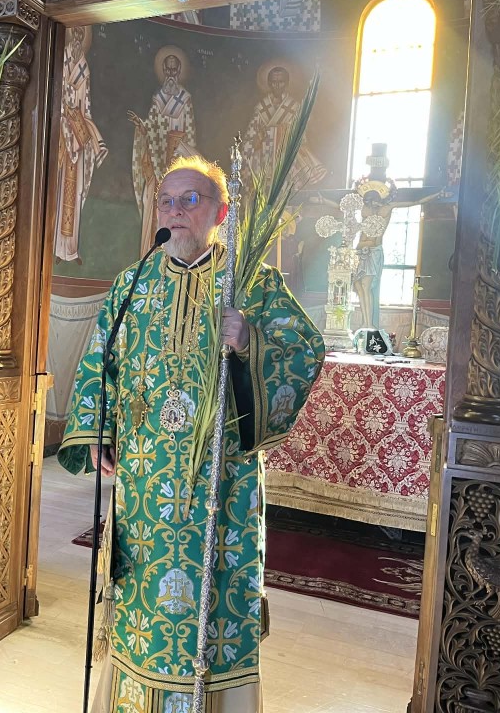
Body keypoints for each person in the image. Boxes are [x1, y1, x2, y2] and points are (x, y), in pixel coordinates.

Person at [58, 155, 324, 712]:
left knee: (215, 600)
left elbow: (304, 352)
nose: (175, 211)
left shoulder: (251, 282)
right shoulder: (133, 283)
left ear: (220, 213)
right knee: (142, 601)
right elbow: (99, 360)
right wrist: (98, 430)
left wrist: (250, 342)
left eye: (190, 200)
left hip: (221, 485)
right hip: (145, 483)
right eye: (166, 201)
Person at [130, 49, 197, 258]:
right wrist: (143, 128)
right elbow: (152, 126)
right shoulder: (157, 99)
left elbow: (190, 132)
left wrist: (184, 156)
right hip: (158, 157)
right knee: (153, 201)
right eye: (167, 69)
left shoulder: (185, 99)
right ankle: (151, 256)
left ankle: (177, 257)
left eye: (174, 70)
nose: (170, 74)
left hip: (177, 158)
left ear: (179, 71)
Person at [55, 25, 107, 264]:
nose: (77, 39)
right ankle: (55, 247)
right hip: (61, 132)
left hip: (76, 133)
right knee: (57, 190)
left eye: (80, 35)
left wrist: (88, 130)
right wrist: (65, 116)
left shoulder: (83, 65)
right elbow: (59, 93)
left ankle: (70, 250)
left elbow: (85, 104)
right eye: (74, 34)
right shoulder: (62, 58)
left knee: (75, 192)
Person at [241, 65, 326, 190]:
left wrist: (284, 134)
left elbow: (301, 137)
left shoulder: (294, 108)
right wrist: (257, 140)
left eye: (281, 82)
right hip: (264, 160)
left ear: (286, 83)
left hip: (286, 160)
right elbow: (250, 137)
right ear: (269, 83)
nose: (277, 85)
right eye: (273, 82)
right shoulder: (261, 108)